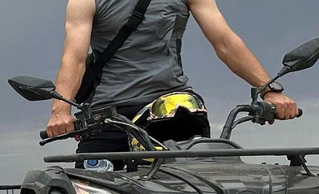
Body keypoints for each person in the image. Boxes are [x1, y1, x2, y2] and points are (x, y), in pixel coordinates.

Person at [46, 0, 299, 160]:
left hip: (174, 113)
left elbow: (224, 41)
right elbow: (75, 59)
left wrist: (269, 90)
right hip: (110, 118)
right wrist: (60, 111)